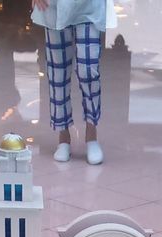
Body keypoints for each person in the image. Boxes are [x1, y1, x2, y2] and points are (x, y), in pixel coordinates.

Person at [32, 1, 116, 165]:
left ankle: (91, 135)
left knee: (89, 70)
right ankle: (63, 137)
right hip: (54, 7)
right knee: (58, 72)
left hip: (89, 7)